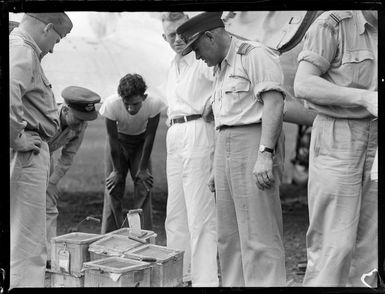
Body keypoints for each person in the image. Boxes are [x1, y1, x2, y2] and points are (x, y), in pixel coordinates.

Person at [177, 12, 287, 287]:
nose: (198, 57)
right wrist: (217, 166)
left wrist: (265, 153)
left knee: (259, 233)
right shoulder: (220, 69)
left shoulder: (254, 55)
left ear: (210, 37)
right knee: (229, 235)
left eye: (198, 49)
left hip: (252, 143)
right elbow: (222, 120)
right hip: (225, 150)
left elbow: (274, 104)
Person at [293, 10, 378, 287]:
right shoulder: (333, 23)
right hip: (339, 134)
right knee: (334, 244)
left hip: (377, 140)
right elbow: (303, 84)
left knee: (371, 247)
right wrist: (363, 98)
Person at [9, 12, 72, 288]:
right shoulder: (23, 49)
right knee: (29, 241)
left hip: (28, 149)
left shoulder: (21, 48)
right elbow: (9, 90)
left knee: (21, 235)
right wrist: (14, 138)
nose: (54, 47)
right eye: (56, 39)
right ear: (47, 27)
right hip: (26, 153)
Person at [161, 12, 219, 287]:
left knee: (201, 213)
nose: (176, 40)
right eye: (170, 35)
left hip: (198, 129)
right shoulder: (172, 66)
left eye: (180, 33)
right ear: (164, 37)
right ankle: (178, 276)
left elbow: (225, 78)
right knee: (175, 213)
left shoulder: (202, 59)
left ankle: (205, 279)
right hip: (175, 134)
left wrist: (215, 101)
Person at [100, 73, 165, 233]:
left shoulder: (154, 104)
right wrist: (116, 171)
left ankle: (141, 236)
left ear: (144, 97)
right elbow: (112, 139)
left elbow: (150, 137)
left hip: (141, 143)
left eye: (135, 104)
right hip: (118, 143)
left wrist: (142, 168)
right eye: (126, 103)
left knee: (144, 184)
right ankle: (110, 236)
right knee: (113, 187)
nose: (130, 108)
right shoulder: (111, 104)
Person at [46, 86, 101, 267]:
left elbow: (69, 154)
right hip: (23, 151)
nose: (81, 124)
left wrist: (52, 182)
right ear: (65, 109)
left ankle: (48, 258)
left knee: (49, 207)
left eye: (84, 119)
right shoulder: (45, 112)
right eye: (78, 118)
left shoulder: (80, 124)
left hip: (46, 156)